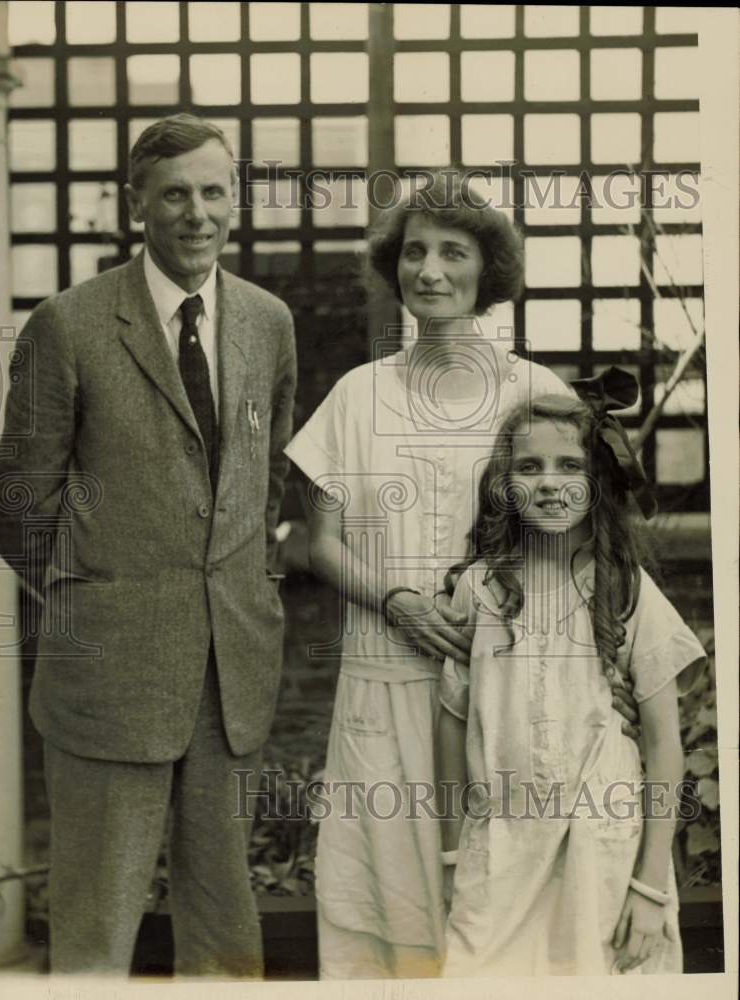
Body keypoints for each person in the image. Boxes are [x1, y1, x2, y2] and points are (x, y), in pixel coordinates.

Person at [285, 173, 639, 979]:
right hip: (382, 685)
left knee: (503, 916)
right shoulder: (355, 395)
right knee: (387, 912)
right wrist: (397, 601)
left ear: (490, 272)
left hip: (509, 696)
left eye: (453, 252)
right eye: (414, 253)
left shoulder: (536, 392)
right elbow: (321, 545)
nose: (430, 271)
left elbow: (585, 547)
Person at [0, 114, 297, 976]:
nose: (196, 213)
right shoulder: (71, 324)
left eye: (211, 191)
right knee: (96, 925)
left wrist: (250, 585)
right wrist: (93, 600)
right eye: (173, 194)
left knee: (225, 917)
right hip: (110, 677)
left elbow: (266, 473)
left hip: (230, 669)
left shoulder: (268, 322)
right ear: (137, 205)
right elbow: (18, 505)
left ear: (234, 198)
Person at [437, 372, 706, 976]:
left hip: (602, 857)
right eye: (529, 468)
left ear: (597, 483)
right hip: (499, 855)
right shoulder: (480, 590)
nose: (551, 483)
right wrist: (453, 853)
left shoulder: (627, 590)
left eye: (569, 466)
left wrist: (651, 887)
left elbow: (665, 745)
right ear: (504, 486)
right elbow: (452, 723)